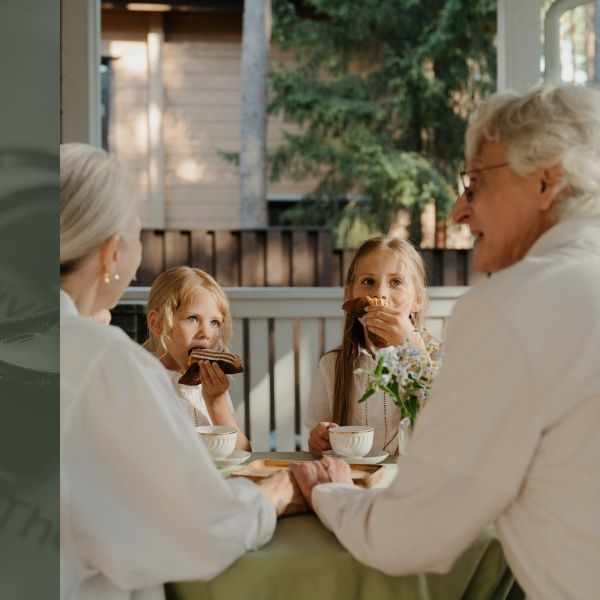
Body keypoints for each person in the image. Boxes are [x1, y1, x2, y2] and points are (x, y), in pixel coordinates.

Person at [290, 84, 600, 599]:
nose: (459, 210)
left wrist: (330, 492)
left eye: (475, 183)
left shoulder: (510, 308)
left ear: (547, 181)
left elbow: (407, 536)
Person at [60, 143, 307, 600]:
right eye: (138, 234)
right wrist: (275, 493)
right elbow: (200, 529)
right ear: (111, 255)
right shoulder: (107, 361)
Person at [305, 236, 440, 456]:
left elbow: (448, 426)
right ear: (350, 297)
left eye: (396, 282)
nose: (380, 294)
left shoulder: (438, 360)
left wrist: (412, 347)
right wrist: (318, 439)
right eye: (368, 281)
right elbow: (317, 436)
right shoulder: (332, 365)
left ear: (418, 300)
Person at [143, 266, 250, 450]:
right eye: (193, 318)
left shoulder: (211, 385)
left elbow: (243, 454)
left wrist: (217, 403)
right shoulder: (142, 378)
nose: (206, 333)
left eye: (214, 322)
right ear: (157, 323)